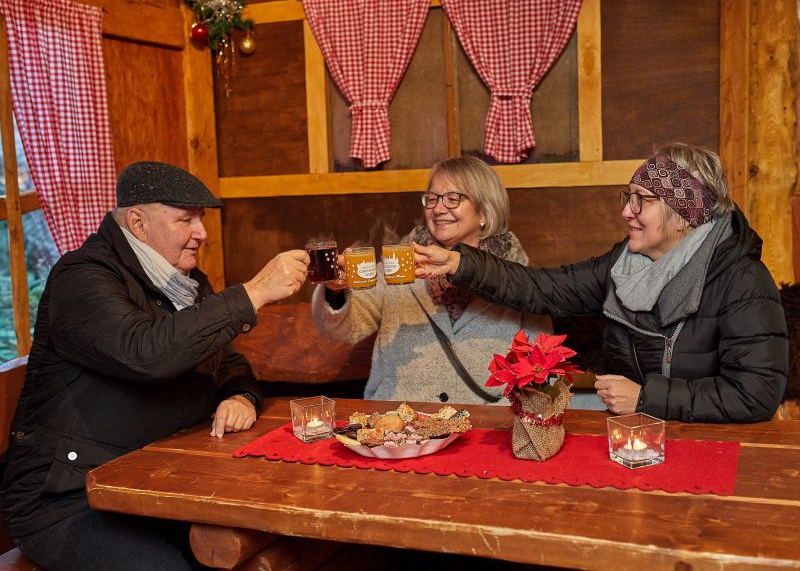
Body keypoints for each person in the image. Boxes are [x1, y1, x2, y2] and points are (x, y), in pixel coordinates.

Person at [1, 162, 309, 570]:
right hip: (70, 498)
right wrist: (253, 293)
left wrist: (241, 394)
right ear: (137, 223)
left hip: (156, 486)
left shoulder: (187, 284)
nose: (201, 232)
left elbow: (227, 361)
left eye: (200, 219)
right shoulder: (81, 277)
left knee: (274, 544)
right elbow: (146, 353)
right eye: (186, 219)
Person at [413, 144, 789, 423]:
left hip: (713, 446)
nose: (627, 211)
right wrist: (462, 263)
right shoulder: (624, 263)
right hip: (636, 435)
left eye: (642, 201)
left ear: (682, 216)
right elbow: (544, 287)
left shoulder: (743, 281)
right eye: (629, 198)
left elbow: (755, 395)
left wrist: (645, 398)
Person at [311, 156, 551, 404]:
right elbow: (343, 328)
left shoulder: (516, 280)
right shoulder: (399, 269)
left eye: (453, 198)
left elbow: (541, 365)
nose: (437, 209)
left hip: (485, 430)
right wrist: (335, 291)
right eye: (432, 198)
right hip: (401, 425)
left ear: (484, 212)